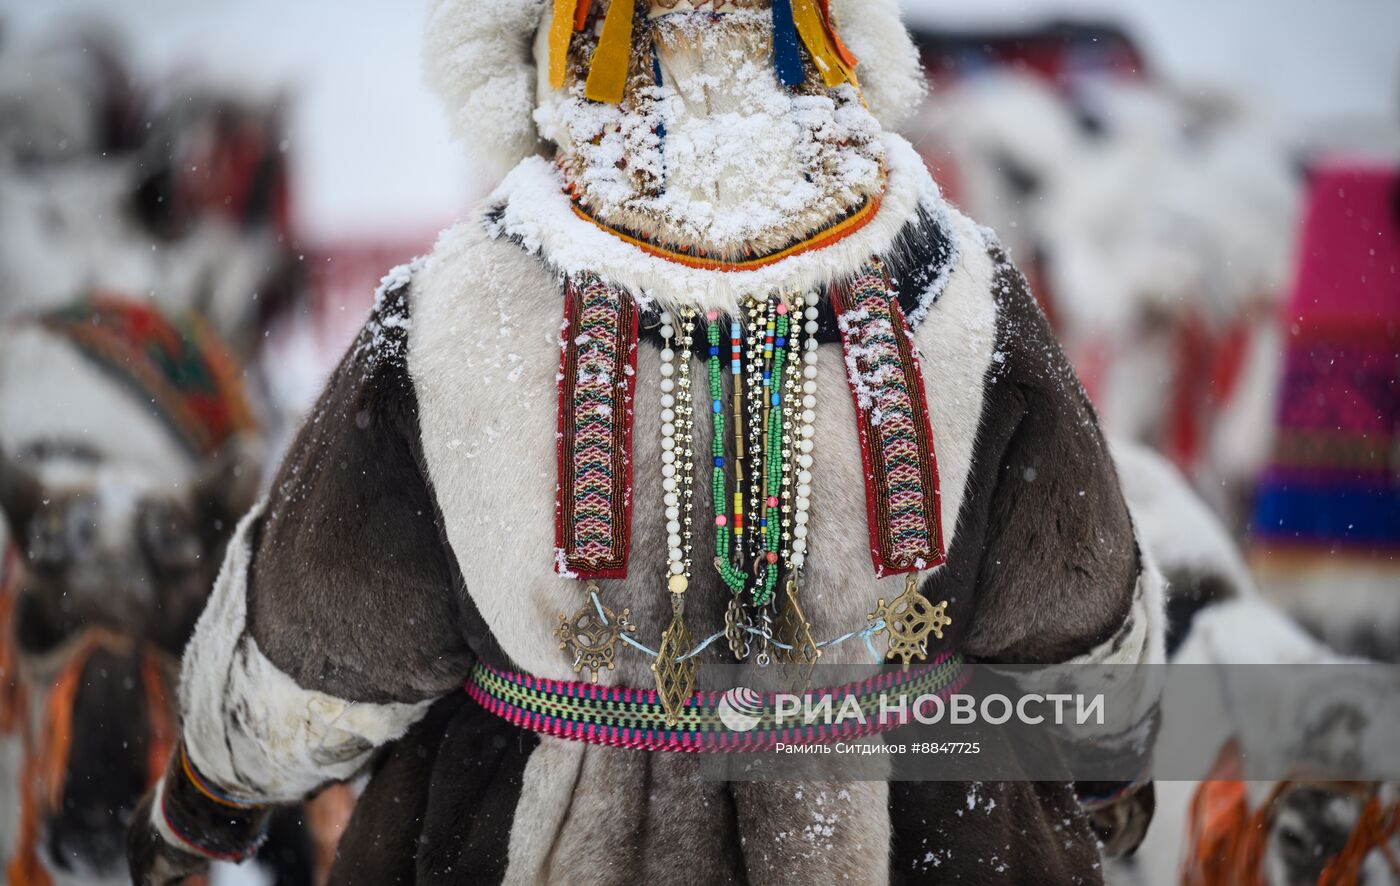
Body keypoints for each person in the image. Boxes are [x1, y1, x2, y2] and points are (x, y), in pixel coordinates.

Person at [129, 0, 1163, 882]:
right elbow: (1076, 596)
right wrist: (1108, 763)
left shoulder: (453, 310)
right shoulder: (962, 286)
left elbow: (328, 630)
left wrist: (210, 787)